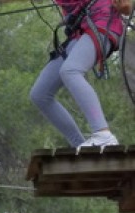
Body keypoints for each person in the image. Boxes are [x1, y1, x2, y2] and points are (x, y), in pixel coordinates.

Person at [30, 0, 123, 148]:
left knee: (70, 71)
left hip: (102, 25)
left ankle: (103, 133)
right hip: (79, 34)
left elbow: (127, 6)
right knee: (40, 94)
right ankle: (78, 144)